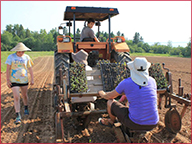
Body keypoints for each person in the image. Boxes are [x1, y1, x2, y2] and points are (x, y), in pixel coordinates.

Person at [98, 57, 159, 130]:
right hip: (154, 123)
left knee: (110, 102)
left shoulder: (126, 82)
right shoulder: (152, 81)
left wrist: (102, 94)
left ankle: (111, 121)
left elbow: (110, 96)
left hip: (135, 123)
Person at [6, 42, 34, 124]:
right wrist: (8, 80)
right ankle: (18, 115)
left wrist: (32, 78)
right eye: (19, 51)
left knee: (24, 95)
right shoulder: (11, 57)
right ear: (16, 51)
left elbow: (30, 68)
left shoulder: (26, 57)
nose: (21, 53)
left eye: (22, 51)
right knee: (16, 96)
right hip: (14, 80)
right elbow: (7, 69)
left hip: (24, 80)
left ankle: (26, 107)